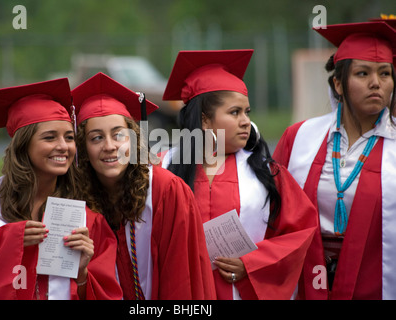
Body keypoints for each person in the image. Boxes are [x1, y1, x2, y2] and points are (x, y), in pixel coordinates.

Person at [160, 49, 318, 300]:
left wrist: (252, 263)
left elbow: (301, 232)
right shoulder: (163, 168)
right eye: (235, 112)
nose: (245, 121)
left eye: (247, 112)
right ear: (205, 120)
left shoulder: (267, 173)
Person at [0, 78, 122, 300]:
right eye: (50, 137)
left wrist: (82, 274)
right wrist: (7, 242)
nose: (63, 146)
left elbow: (109, 294)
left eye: (69, 137)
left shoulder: (86, 218)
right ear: (23, 145)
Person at [273, 21, 396, 299]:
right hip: (307, 278)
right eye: (363, 73)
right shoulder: (301, 136)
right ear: (339, 84)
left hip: (377, 280)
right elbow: (272, 210)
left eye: (385, 73)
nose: (375, 82)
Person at [72, 72, 216, 300]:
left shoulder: (166, 190)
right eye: (96, 138)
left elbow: (182, 281)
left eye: (118, 135)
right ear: (83, 149)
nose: (109, 146)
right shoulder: (77, 202)